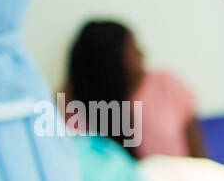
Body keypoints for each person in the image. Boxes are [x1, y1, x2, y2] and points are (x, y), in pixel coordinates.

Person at [63, 19, 206, 158]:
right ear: (110, 62)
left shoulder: (166, 85)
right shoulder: (74, 105)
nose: (141, 53)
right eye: (132, 48)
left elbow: (200, 160)